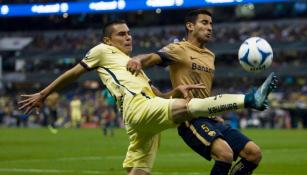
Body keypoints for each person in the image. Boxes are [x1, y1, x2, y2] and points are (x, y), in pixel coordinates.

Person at [18, 19, 276, 175]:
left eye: (129, 33)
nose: (128, 37)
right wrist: (43, 93)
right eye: (122, 34)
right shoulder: (101, 50)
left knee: (139, 171)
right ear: (108, 39)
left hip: (143, 118)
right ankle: (249, 99)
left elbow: (156, 95)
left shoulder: (132, 65)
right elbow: (73, 72)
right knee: (190, 108)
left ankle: (245, 100)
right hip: (137, 108)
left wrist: (172, 93)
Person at [126, 9, 276, 175]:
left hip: (210, 116)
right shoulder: (179, 49)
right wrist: (137, 60)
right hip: (189, 117)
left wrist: (215, 111)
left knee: (254, 154)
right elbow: (152, 57)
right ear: (190, 26)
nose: (210, 27)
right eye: (204, 23)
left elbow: (204, 92)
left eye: (211, 24)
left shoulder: (210, 56)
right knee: (225, 154)